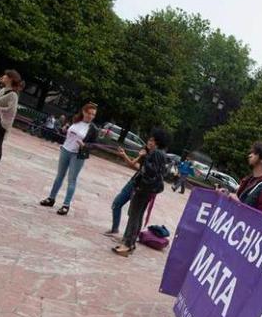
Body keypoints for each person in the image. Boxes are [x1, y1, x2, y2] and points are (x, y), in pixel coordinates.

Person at [111, 128, 169, 257]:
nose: (150, 142)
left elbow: (149, 171)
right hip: (147, 190)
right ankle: (129, 243)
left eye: (153, 141)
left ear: (159, 142)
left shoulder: (155, 154)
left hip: (143, 189)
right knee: (137, 215)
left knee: (134, 215)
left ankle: (128, 244)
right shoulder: (159, 154)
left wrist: (145, 156)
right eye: (150, 140)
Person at [39, 102, 100, 215]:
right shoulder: (76, 120)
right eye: (89, 113)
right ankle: (51, 198)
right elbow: (68, 132)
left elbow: (95, 145)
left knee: (72, 179)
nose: (91, 116)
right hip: (65, 150)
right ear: (84, 112)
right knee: (59, 176)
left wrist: (85, 145)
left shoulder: (93, 129)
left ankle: (66, 205)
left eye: (93, 114)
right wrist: (64, 129)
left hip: (77, 155)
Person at [230, 142, 262, 214]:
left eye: (254, 153)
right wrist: (225, 195)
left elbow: (261, 218)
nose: (250, 155)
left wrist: (238, 203)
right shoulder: (248, 179)